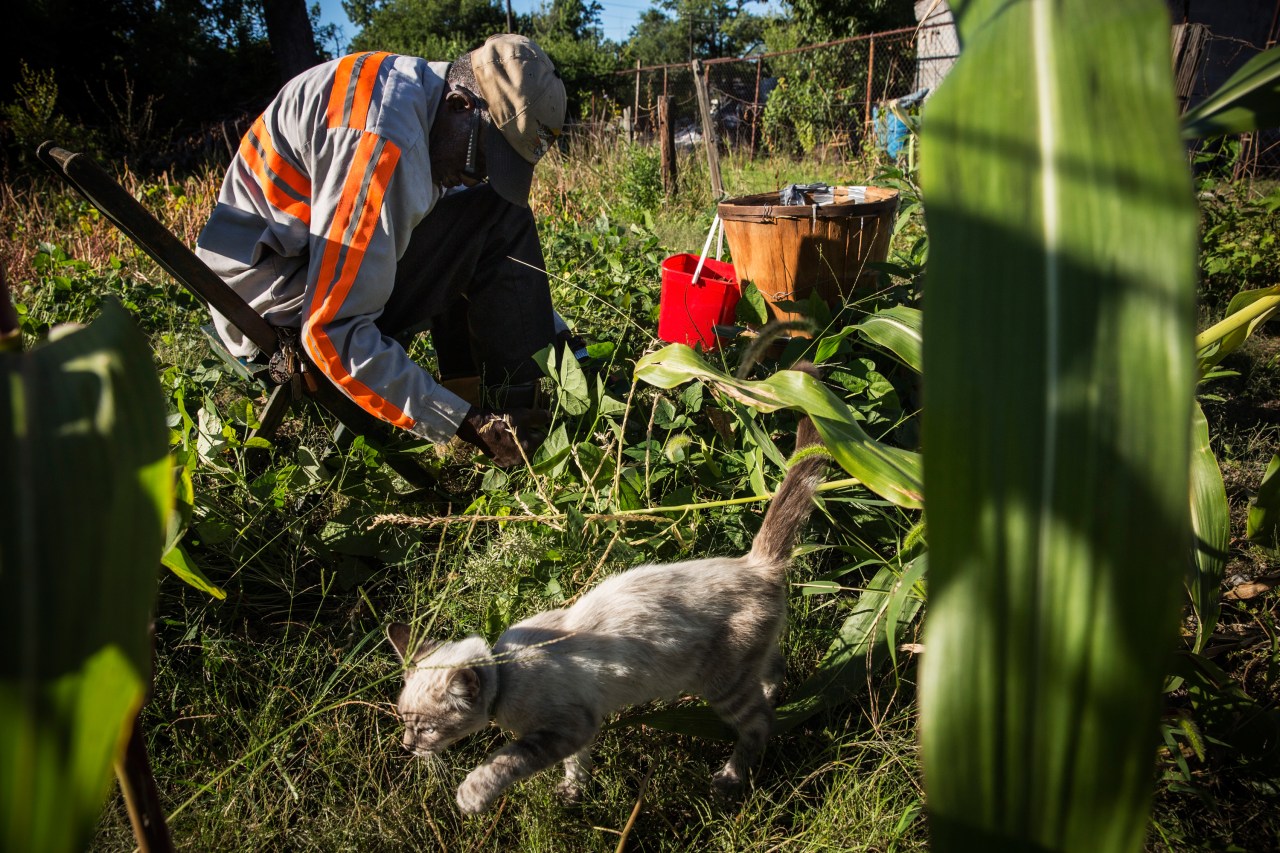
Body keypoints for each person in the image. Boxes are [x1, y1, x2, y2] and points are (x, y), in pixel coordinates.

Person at [195, 34, 576, 467]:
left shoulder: (423, 100)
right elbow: (330, 331)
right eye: (481, 162)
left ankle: (512, 411)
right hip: (271, 307)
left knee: (490, 214)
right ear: (460, 105)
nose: (475, 178)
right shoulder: (383, 144)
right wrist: (464, 424)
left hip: (298, 262)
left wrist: (551, 329)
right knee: (495, 217)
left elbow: (469, 239)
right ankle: (512, 431)